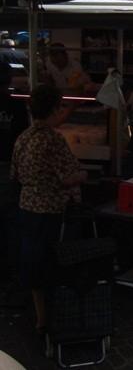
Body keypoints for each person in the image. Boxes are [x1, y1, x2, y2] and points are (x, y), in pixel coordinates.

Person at [11, 85, 87, 336]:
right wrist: (83, 174)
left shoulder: (24, 138)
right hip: (50, 211)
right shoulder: (52, 140)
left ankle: (41, 316)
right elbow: (67, 178)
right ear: (55, 109)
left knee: (33, 259)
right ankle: (57, 314)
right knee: (53, 262)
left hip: (27, 207)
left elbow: (16, 174)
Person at [0, 63, 29, 306]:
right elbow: (22, 137)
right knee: (11, 219)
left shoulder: (16, 105)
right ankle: (12, 269)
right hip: (8, 168)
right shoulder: (15, 105)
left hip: (8, 167)